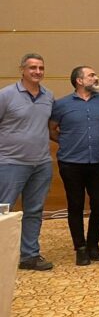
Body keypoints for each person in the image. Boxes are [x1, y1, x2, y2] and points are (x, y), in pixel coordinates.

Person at [49, 65, 99, 266]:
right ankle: (80, 248)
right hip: (71, 164)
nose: (96, 78)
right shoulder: (61, 104)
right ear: (79, 81)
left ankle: (93, 245)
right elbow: (51, 129)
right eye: (91, 75)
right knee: (76, 205)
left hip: (98, 162)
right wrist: (67, 142)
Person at [0, 54, 55, 271]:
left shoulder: (48, 96)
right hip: (10, 162)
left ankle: (29, 255)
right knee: (3, 210)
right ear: (22, 70)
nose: (37, 71)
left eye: (41, 68)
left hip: (41, 163)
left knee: (34, 210)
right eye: (32, 67)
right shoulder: (6, 95)